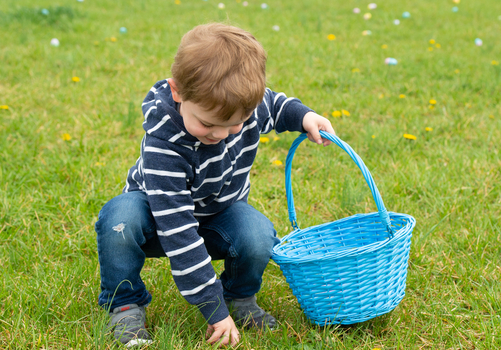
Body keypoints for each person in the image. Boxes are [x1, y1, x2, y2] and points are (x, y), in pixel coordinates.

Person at [94, 22, 335, 347]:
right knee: (119, 221)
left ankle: (240, 297)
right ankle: (124, 304)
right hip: (158, 218)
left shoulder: (241, 106)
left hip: (218, 214)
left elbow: (275, 105)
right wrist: (212, 308)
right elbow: (178, 234)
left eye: (236, 124)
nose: (221, 134)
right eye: (207, 123)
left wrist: (305, 117)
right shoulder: (165, 145)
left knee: (257, 234)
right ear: (177, 92)